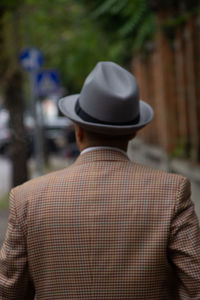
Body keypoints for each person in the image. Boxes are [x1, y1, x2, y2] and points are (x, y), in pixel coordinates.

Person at [0, 62, 200, 299]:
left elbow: (10, 291)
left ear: (78, 130)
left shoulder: (26, 198)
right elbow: (195, 282)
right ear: (134, 132)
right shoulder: (172, 191)